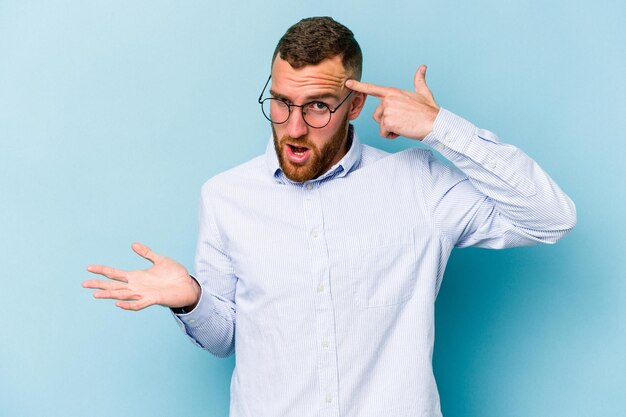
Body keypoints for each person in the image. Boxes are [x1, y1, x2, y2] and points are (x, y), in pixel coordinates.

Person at [83, 16, 576, 417]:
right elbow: (225, 339)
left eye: (318, 106)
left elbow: (550, 218)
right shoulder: (225, 196)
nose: (294, 128)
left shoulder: (421, 185)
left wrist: (439, 128)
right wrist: (191, 300)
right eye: (281, 103)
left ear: (355, 104)